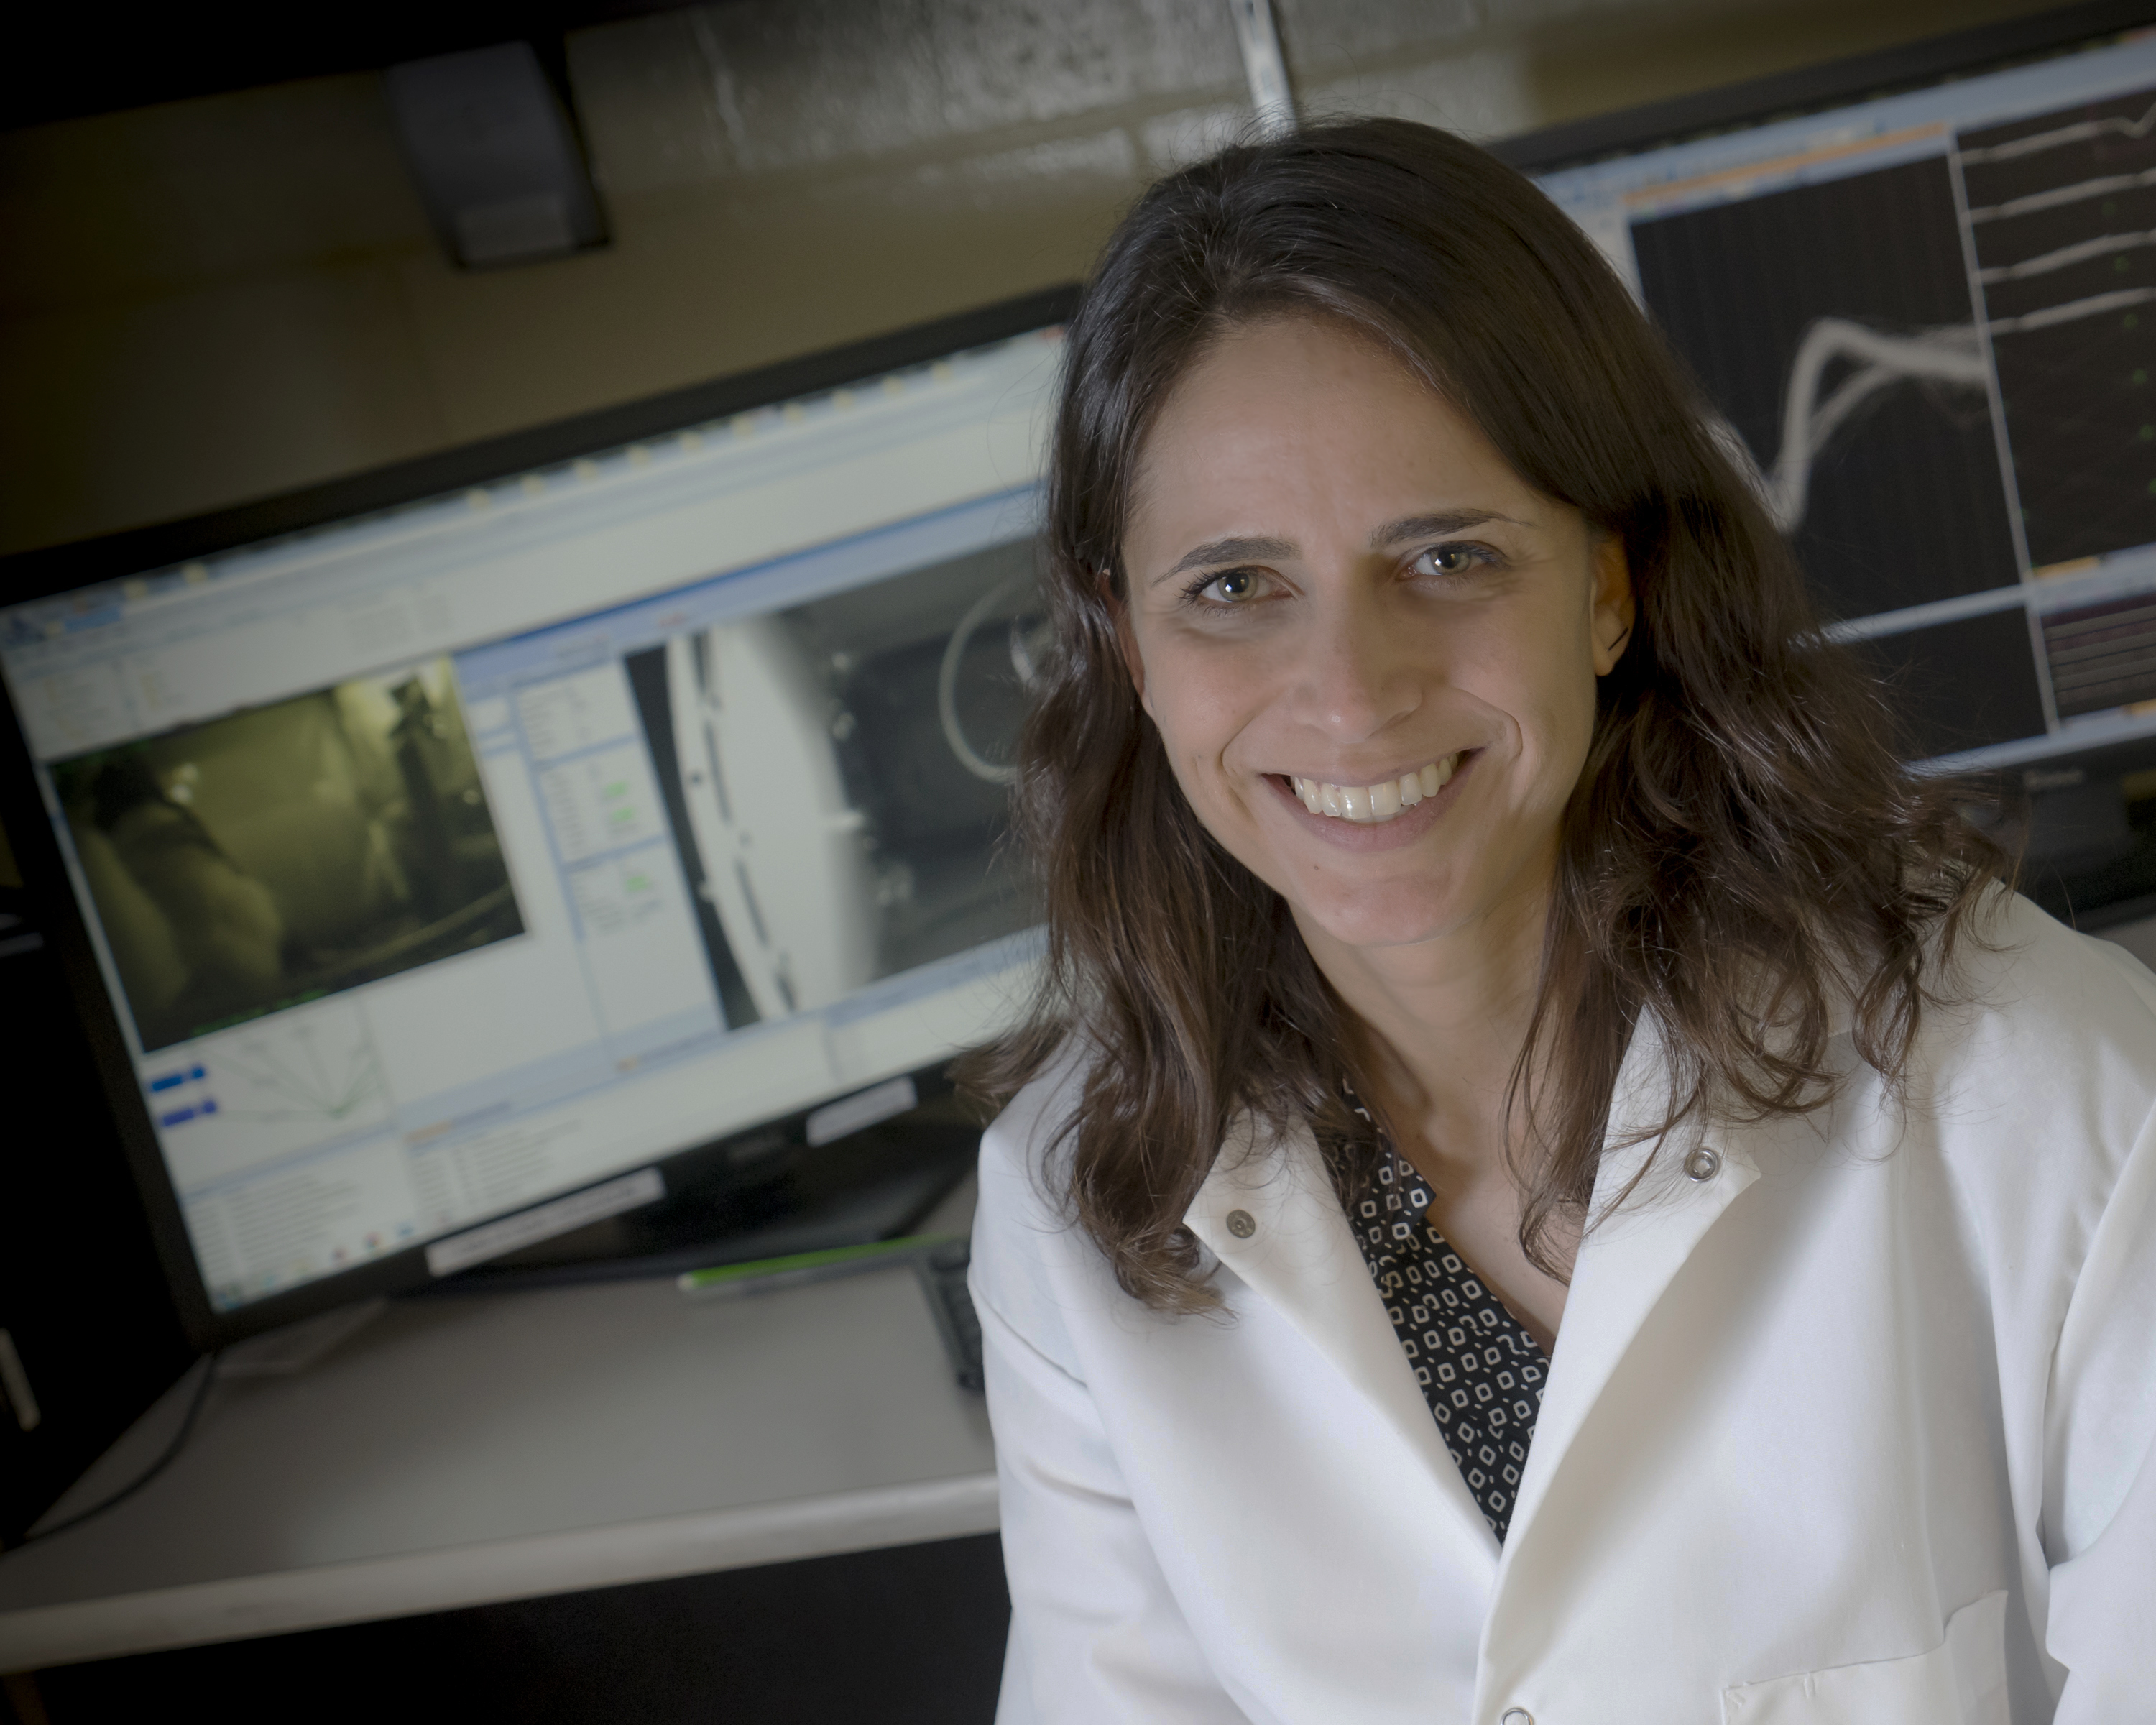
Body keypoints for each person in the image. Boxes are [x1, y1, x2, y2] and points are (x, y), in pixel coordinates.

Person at [964, 119, 2156, 1724]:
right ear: (1127, 643)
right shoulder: (1073, 1193)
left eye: (1446, 556)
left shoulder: (2047, 1088)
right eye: (1235, 587)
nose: (1350, 696)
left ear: (1610, 585)